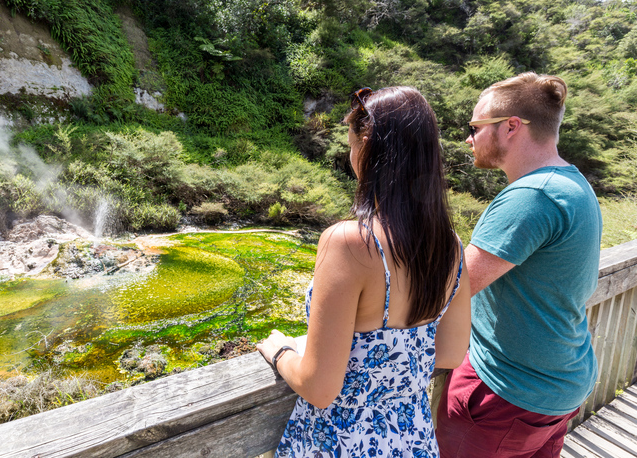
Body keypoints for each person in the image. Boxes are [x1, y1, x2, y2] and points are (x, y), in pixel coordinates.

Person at [258, 86, 471, 458]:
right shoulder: (449, 245)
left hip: (342, 442)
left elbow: (321, 387)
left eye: (351, 142)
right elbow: (451, 352)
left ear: (368, 146)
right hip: (411, 437)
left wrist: (281, 353)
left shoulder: (349, 243)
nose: (349, 154)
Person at [435, 73, 603, 458]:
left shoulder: (532, 196)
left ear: (511, 127)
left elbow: (449, 289)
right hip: (559, 384)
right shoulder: (572, 184)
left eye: (476, 127)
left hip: (504, 391)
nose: (469, 137)